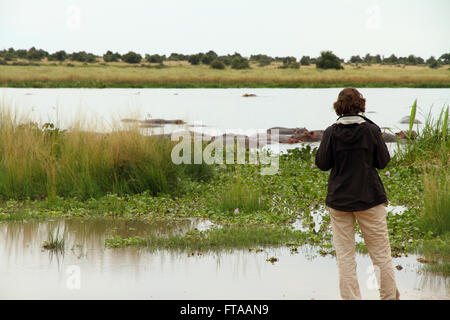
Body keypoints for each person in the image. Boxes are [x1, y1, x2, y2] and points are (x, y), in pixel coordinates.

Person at [315, 87, 400, 300]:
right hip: (370, 199)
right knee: (381, 256)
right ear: (361, 105)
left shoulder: (331, 132)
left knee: (345, 257)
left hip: (339, 201)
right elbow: (383, 162)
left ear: (338, 106)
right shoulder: (371, 130)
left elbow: (322, 164)